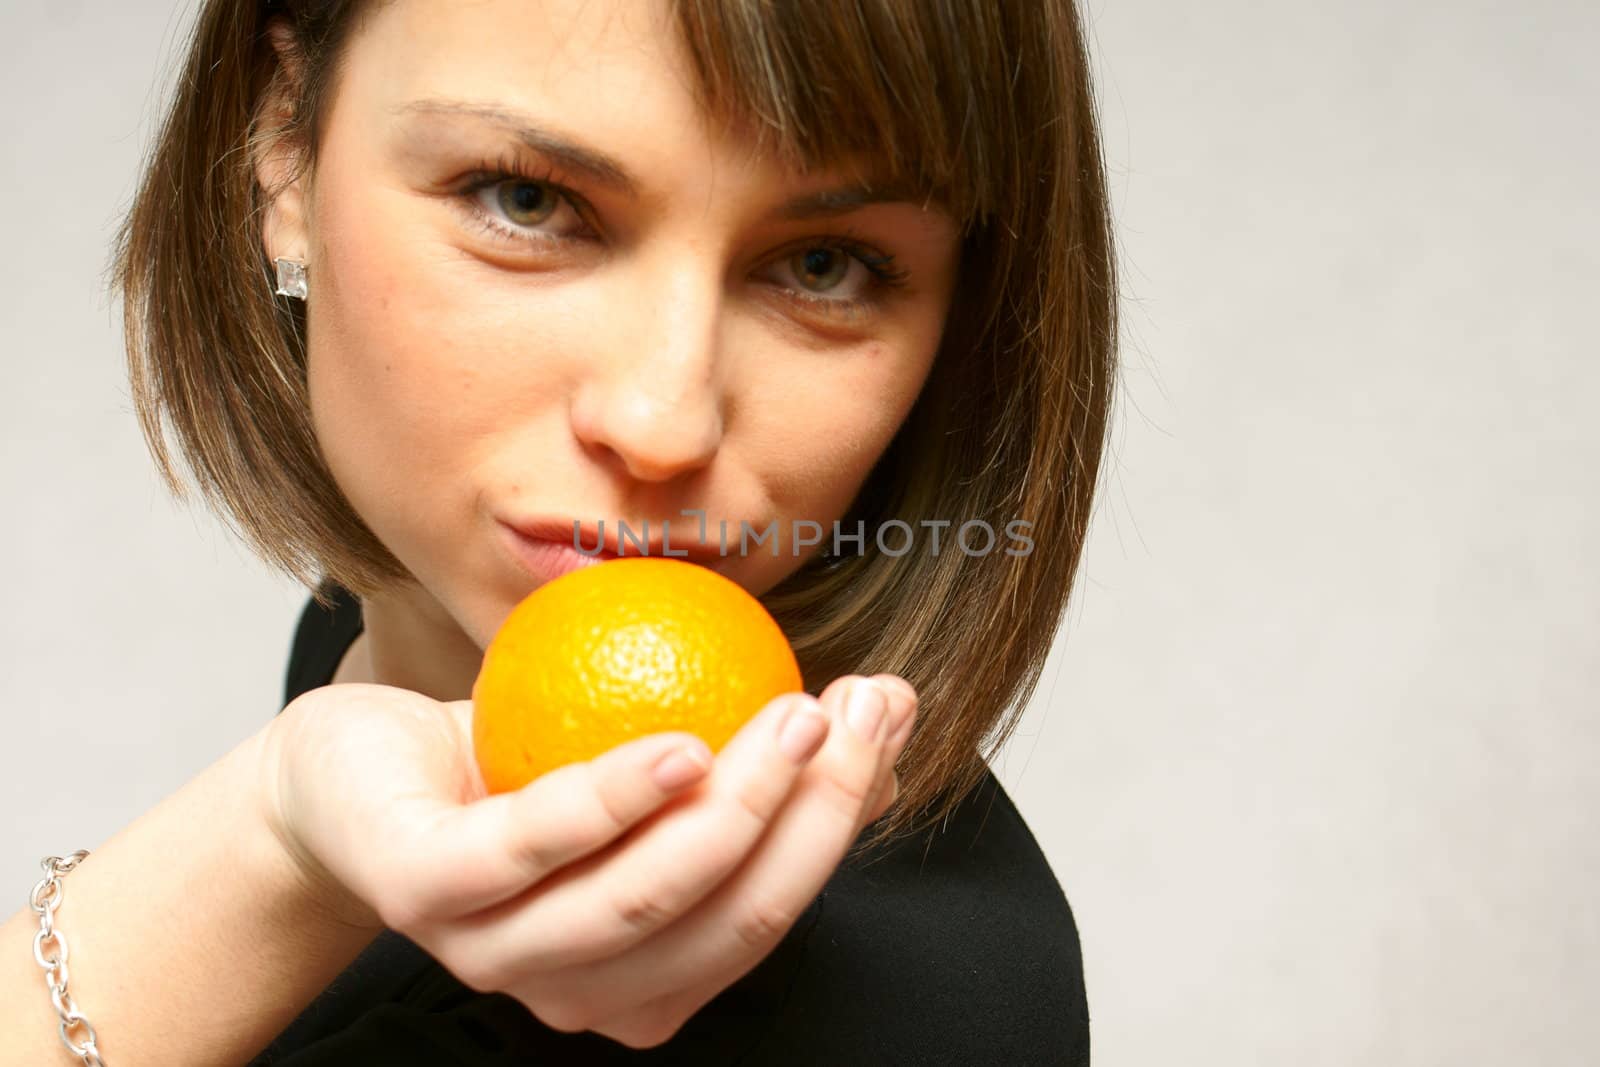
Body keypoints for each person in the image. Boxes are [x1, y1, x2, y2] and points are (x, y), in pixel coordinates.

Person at [2, 0, 1118, 1062]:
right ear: (284, 141)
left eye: (822, 265)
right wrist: (281, 833)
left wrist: (272, 845)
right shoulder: (411, 626)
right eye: (528, 201)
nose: (662, 419)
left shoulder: (898, 1017)